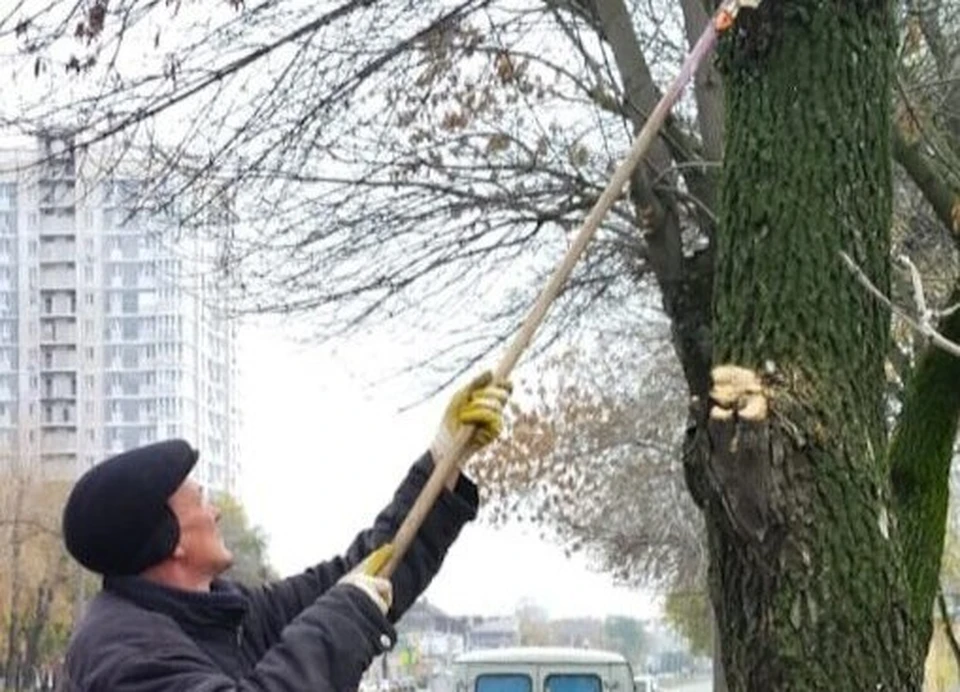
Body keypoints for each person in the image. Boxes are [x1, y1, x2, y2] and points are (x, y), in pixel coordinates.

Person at [57, 372, 511, 692]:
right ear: (171, 538)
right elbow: (345, 605)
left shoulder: (223, 616)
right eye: (199, 500)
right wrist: (348, 614)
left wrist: (444, 462)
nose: (214, 512)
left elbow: (369, 568)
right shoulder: (119, 652)